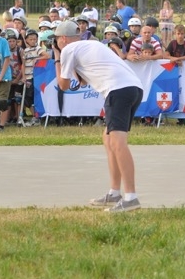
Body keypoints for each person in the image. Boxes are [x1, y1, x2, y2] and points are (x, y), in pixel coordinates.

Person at [54, 21, 144, 212]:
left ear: (62, 38)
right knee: (108, 138)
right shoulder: (91, 44)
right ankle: (114, 192)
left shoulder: (67, 50)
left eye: (56, 40)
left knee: (118, 143)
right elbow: (84, 80)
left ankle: (131, 197)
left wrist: (57, 60)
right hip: (133, 88)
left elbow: (63, 85)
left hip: (117, 90)